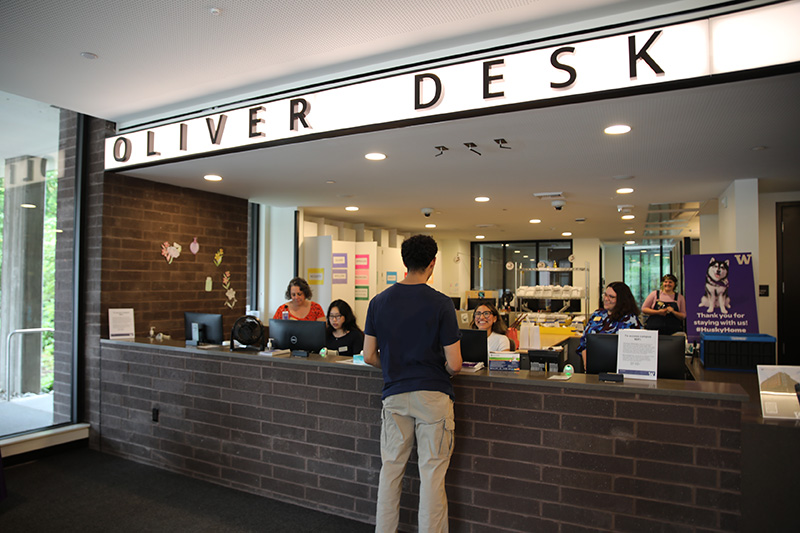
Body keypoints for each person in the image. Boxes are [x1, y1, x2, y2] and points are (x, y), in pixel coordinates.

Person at [363, 234, 462, 533]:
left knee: (391, 470)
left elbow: (369, 355)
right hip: (433, 396)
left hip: (394, 395)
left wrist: (395, 366)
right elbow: (455, 364)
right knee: (431, 474)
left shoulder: (378, 302)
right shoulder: (442, 304)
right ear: (432, 263)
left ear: (404, 263)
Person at [577, 281, 641, 368]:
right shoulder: (598, 314)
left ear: (621, 300)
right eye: (605, 295)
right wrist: (587, 365)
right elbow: (584, 342)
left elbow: (636, 349)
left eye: (611, 297)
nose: (606, 299)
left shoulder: (630, 320)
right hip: (593, 366)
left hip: (617, 368)